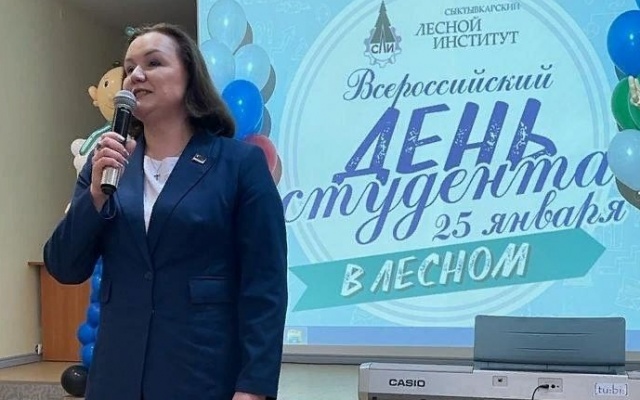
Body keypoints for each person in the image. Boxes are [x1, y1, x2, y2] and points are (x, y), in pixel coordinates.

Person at [43, 23, 288, 400]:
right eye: (129, 68)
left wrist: (253, 387)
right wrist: (93, 197)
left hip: (202, 375)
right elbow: (64, 265)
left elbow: (265, 285)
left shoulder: (240, 164)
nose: (135, 75)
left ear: (190, 76)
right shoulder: (106, 165)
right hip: (116, 378)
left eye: (153, 63)